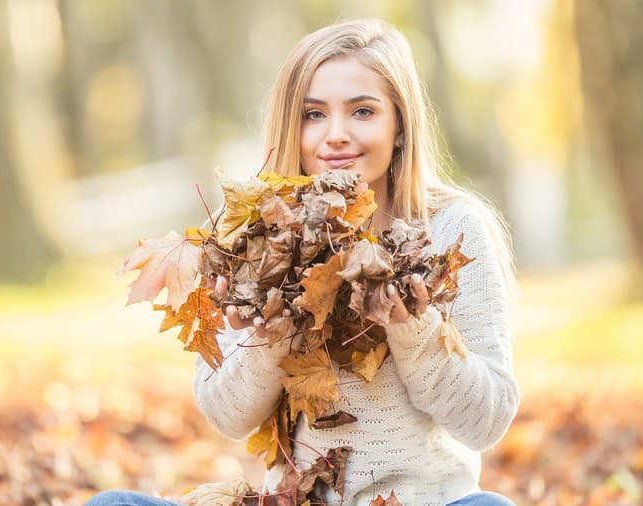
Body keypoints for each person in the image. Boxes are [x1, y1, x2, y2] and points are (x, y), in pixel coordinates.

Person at [88, 18, 519, 506]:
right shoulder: (257, 236)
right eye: (314, 115)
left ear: (400, 126)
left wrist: (414, 332)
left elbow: (488, 420)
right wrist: (266, 340)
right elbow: (227, 416)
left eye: (362, 111)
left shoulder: (450, 228)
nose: (335, 135)